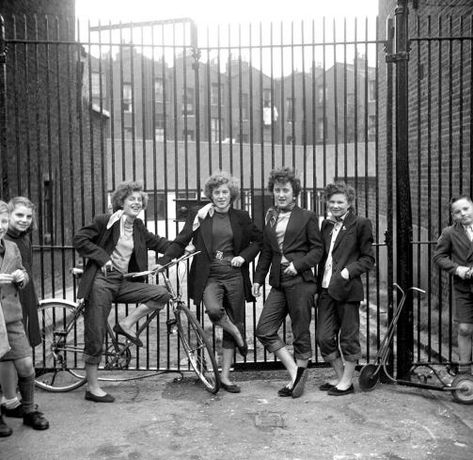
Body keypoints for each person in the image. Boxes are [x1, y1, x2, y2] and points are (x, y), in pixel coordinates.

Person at [159, 171, 262, 393]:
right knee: (214, 310)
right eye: (217, 192)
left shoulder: (241, 217)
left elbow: (258, 241)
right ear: (211, 195)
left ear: (231, 194)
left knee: (234, 317)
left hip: (234, 273)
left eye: (225, 192)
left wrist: (243, 256)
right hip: (210, 274)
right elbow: (181, 240)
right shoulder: (200, 216)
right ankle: (236, 332)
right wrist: (165, 259)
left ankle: (225, 376)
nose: (221, 196)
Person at [73, 181, 171, 403]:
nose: (136, 203)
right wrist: (102, 258)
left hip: (122, 282)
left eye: (139, 200)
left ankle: (126, 324)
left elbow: (158, 242)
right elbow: (79, 239)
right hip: (101, 281)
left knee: (161, 294)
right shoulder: (105, 221)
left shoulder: (138, 227)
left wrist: (183, 247)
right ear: (121, 202)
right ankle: (92, 387)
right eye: (131, 199)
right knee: (95, 331)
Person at [252, 167, 323, 398]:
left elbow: (317, 250)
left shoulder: (307, 216)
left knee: (300, 331)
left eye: (285, 190)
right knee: (264, 330)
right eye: (277, 190)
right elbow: (266, 250)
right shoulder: (270, 216)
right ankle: (295, 372)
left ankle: (298, 380)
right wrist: (258, 279)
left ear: (295, 193)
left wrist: (298, 264)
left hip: (300, 281)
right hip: (278, 281)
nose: (281, 194)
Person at [316, 182, 375, 396]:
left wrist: (347, 272)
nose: (336, 205)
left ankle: (347, 382)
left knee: (348, 338)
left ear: (349, 203)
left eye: (340, 202)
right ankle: (341, 376)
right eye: (332, 201)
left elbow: (368, 259)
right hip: (325, 289)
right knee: (323, 337)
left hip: (348, 288)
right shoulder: (325, 225)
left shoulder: (360, 223)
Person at [0, 200, 49, 437]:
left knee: (24, 362)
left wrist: (21, 277)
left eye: (28, 216)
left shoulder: (14, 245)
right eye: (18, 215)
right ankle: (5, 409)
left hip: (13, 311)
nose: (24, 220)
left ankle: (27, 409)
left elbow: (23, 273)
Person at [433, 195, 473, 375]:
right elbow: (439, 257)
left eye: (465, 209)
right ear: (453, 215)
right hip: (463, 288)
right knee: (465, 329)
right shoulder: (449, 233)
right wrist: (458, 270)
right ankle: (465, 373)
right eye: (457, 212)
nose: (463, 214)